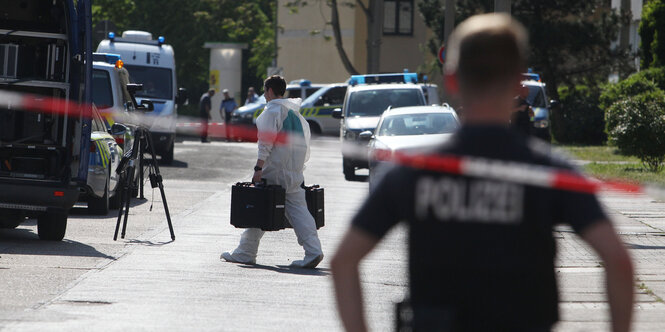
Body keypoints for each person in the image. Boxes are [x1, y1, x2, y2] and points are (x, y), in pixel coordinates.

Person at [331, 13, 634, 332]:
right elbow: (618, 260)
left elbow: (344, 261)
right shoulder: (550, 172)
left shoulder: (414, 173)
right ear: (520, 83)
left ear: (451, 80)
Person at [221, 75, 324, 268]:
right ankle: (313, 250)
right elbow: (305, 144)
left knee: (258, 205)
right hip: (294, 171)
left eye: (264, 91)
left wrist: (258, 168)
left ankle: (246, 252)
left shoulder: (272, 112)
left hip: (276, 171)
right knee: (300, 211)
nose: (264, 95)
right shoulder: (293, 113)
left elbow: (265, 144)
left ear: (269, 91)